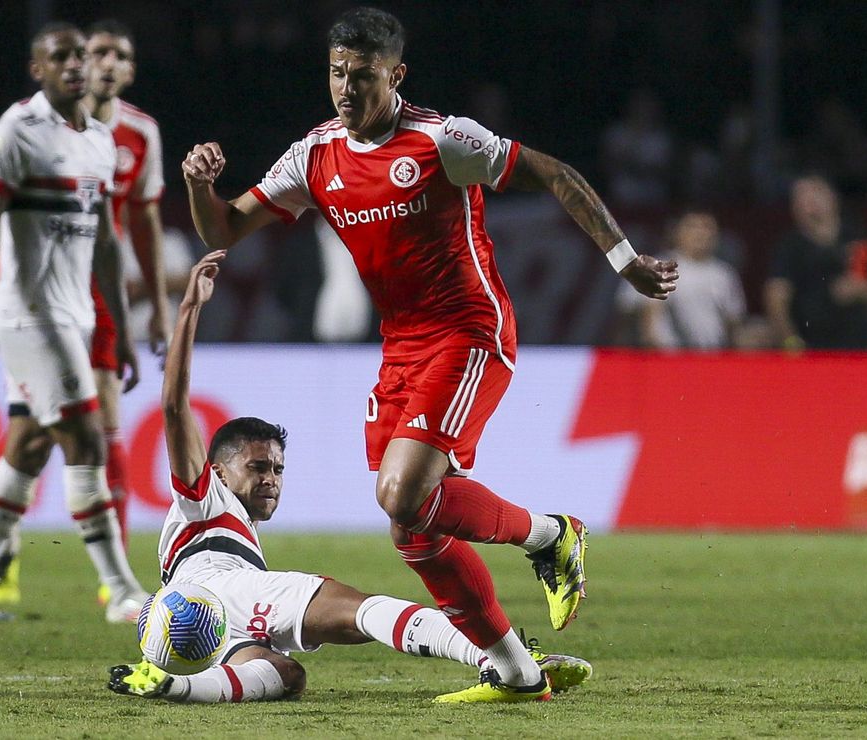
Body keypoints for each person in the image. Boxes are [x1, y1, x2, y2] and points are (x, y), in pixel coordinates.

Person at [180, 7, 677, 702]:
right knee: (409, 531)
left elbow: (558, 174)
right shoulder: (315, 155)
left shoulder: (445, 140)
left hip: (470, 333)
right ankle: (514, 671)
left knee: (401, 493)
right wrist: (200, 185)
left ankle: (549, 536)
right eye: (336, 75)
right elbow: (226, 228)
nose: (346, 90)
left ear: (396, 74)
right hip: (401, 349)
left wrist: (623, 260)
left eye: (362, 76)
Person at [106, 251, 592, 703]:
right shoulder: (203, 496)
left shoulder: (220, 523)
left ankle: (175, 686)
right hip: (220, 591)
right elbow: (174, 406)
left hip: (195, 621)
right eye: (256, 467)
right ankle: (500, 659)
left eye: (277, 468)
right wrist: (189, 308)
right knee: (363, 610)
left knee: (287, 676)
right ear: (217, 471)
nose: (271, 478)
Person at [0, 22, 147, 624]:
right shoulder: (20, 128)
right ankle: (123, 589)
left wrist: (124, 331)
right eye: (61, 57)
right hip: (28, 315)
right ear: (39, 69)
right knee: (86, 439)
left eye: (80, 54)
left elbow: (106, 243)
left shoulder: (102, 140)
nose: (76, 64)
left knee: (27, 448)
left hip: (76, 316)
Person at [0, 18, 170, 611]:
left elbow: (142, 223)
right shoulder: (35, 124)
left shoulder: (139, 133)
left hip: (97, 295)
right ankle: (2, 555)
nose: (106, 63)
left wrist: (158, 310)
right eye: (97, 53)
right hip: (36, 294)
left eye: (119, 53)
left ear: (131, 68)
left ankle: (110, 579)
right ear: (78, 63)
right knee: (39, 429)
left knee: (100, 425)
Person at [765, 174, 867, 351]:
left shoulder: (856, 239)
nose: (808, 202)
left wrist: (860, 289)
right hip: (810, 346)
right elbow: (776, 299)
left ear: (832, 197)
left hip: (856, 344)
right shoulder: (791, 247)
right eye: (800, 197)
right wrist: (790, 341)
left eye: (814, 193)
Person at [635, 210, 746, 350]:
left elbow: (733, 323)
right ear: (677, 232)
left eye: (707, 227)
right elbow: (649, 320)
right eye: (693, 226)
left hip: (712, 358)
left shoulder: (725, 274)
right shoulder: (660, 267)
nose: (700, 233)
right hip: (668, 358)